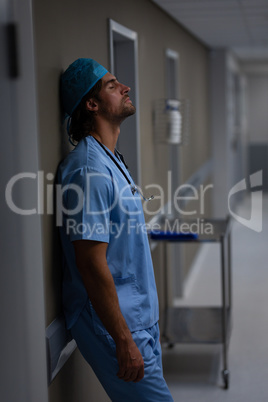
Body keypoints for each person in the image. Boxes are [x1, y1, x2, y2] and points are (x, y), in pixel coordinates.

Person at [58, 58, 173, 401]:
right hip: (116, 326)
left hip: (138, 317)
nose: (126, 88)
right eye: (112, 85)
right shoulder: (88, 170)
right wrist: (124, 339)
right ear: (91, 104)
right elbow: (91, 264)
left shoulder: (111, 160)